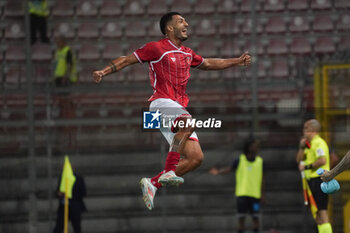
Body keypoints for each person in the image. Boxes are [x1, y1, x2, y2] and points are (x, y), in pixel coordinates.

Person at [92, 12, 251, 210]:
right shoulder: (156, 48)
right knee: (188, 122)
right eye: (181, 21)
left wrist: (237, 61)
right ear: (169, 28)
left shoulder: (187, 52)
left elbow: (209, 63)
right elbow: (126, 60)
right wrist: (103, 72)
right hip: (159, 104)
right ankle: (169, 171)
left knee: (196, 158)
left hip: (176, 108)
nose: (187, 23)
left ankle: (153, 183)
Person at [209, 139, 264, 233]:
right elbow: (229, 169)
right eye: (255, 146)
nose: (257, 148)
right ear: (249, 147)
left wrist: (263, 194)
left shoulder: (260, 161)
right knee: (241, 219)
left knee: (256, 218)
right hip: (242, 195)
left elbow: (263, 179)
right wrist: (218, 172)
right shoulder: (240, 160)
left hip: (255, 196)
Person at [296, 119, 333, 233]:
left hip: (320, 180)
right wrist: (302, 147)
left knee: (322, 210)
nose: (304, 131)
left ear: (313, 130)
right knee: (315, 212)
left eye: (306, 128)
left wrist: (307, 167)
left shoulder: (319, 143)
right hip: (310, 181)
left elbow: (322, 160)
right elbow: (298, 159)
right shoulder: (308, 145)